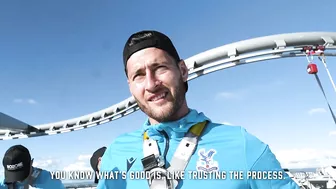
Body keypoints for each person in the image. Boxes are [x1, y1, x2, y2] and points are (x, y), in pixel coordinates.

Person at [97, 30, 300, 189]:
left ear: (183, 71)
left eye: (160, 68)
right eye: (139, 75)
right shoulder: (116, 153)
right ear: (130, 86)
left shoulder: (243, 145)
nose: (151, 84)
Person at [0, 144, 65, 189]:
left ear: (31, 163)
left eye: (20, 173)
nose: (18, 180)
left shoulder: (50, 182)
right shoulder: (2, 183)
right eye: (12, 174)